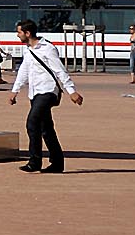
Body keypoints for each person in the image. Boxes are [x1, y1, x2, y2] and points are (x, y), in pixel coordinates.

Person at [9, 18, 82, 173]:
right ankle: (57, 163)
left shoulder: (47, 48)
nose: (17, 35)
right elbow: (24, 71)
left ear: (27, 33)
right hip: (35, 92)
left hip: (48, 92)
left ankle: (34, 162)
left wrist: (71, 91)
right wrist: (15, 90)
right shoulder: (28, 50)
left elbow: (59, 70)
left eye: (19, 32)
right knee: (46, 129)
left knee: (32, 123)